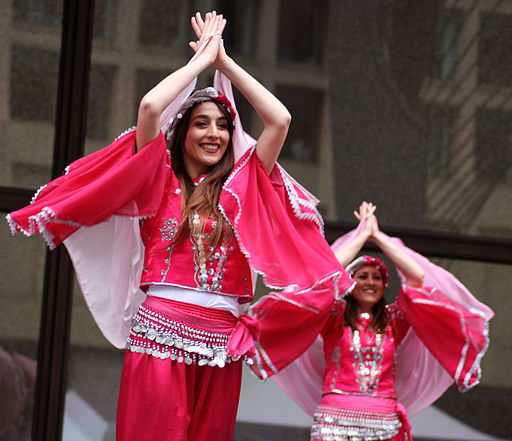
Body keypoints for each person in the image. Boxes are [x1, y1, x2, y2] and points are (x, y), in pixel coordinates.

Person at [7, 11, 354, 441]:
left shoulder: (243, 185)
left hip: (221, 346)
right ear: (183, 132)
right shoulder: (159, 180)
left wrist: (224, 62)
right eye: (202, 123)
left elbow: (280, 120)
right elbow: (151, 106)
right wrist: (197, 66)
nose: (215, 134)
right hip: (161, 336)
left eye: (224, 126)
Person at [272, 201, 493, 441]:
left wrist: (377, 237)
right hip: (334, 419)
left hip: (383, 422)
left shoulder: (393, 321)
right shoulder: (334, 317)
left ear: (384, 285)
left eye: (376, 277)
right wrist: (361, 235)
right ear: (351, 284)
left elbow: (417, 276)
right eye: (362, 276)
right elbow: (326, 274)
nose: (370, 282)